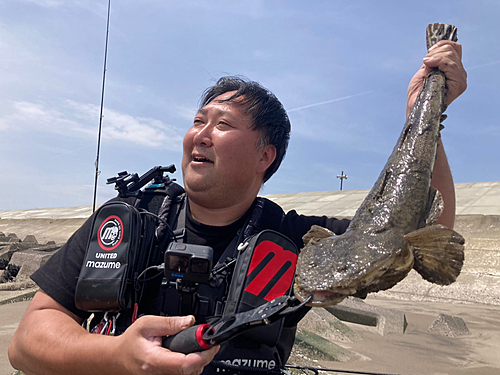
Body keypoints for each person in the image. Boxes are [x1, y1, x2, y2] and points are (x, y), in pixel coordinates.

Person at [9, 39, 466, 375]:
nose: (199, 135)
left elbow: (430, 232)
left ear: (265, 156)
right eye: (197, 121)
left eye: (222, 124)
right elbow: (26, 343)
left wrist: (427, 111)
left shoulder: (299, 241)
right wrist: (118, 356)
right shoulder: (128, 220)